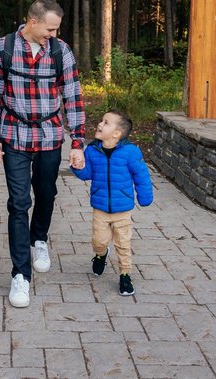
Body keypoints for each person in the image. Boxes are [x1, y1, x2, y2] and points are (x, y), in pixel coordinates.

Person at [0, 0, 86, 308]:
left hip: (51, 135)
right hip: (14, 135)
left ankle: (39, 238)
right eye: (49, 29)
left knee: (46, 193)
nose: (53, 34)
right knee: (18, 203)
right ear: (32, 21)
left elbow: (73, 96)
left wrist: (77, 141)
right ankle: (20, 275)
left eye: (56, 29)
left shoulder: (60, 51)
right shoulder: (2, 49)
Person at [71, 110, 153, 296]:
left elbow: (141, 175)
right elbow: (87, 174)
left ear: (117, 133)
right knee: (98, 241)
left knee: (123, 244)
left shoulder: (130, 152)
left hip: (123, 208)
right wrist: (78, 166)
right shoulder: (92, 150)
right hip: (100, 207)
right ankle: (101, 254)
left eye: (106, 122)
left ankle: (125, 275)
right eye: (101, 121)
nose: (100, 124)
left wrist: (145, 197)